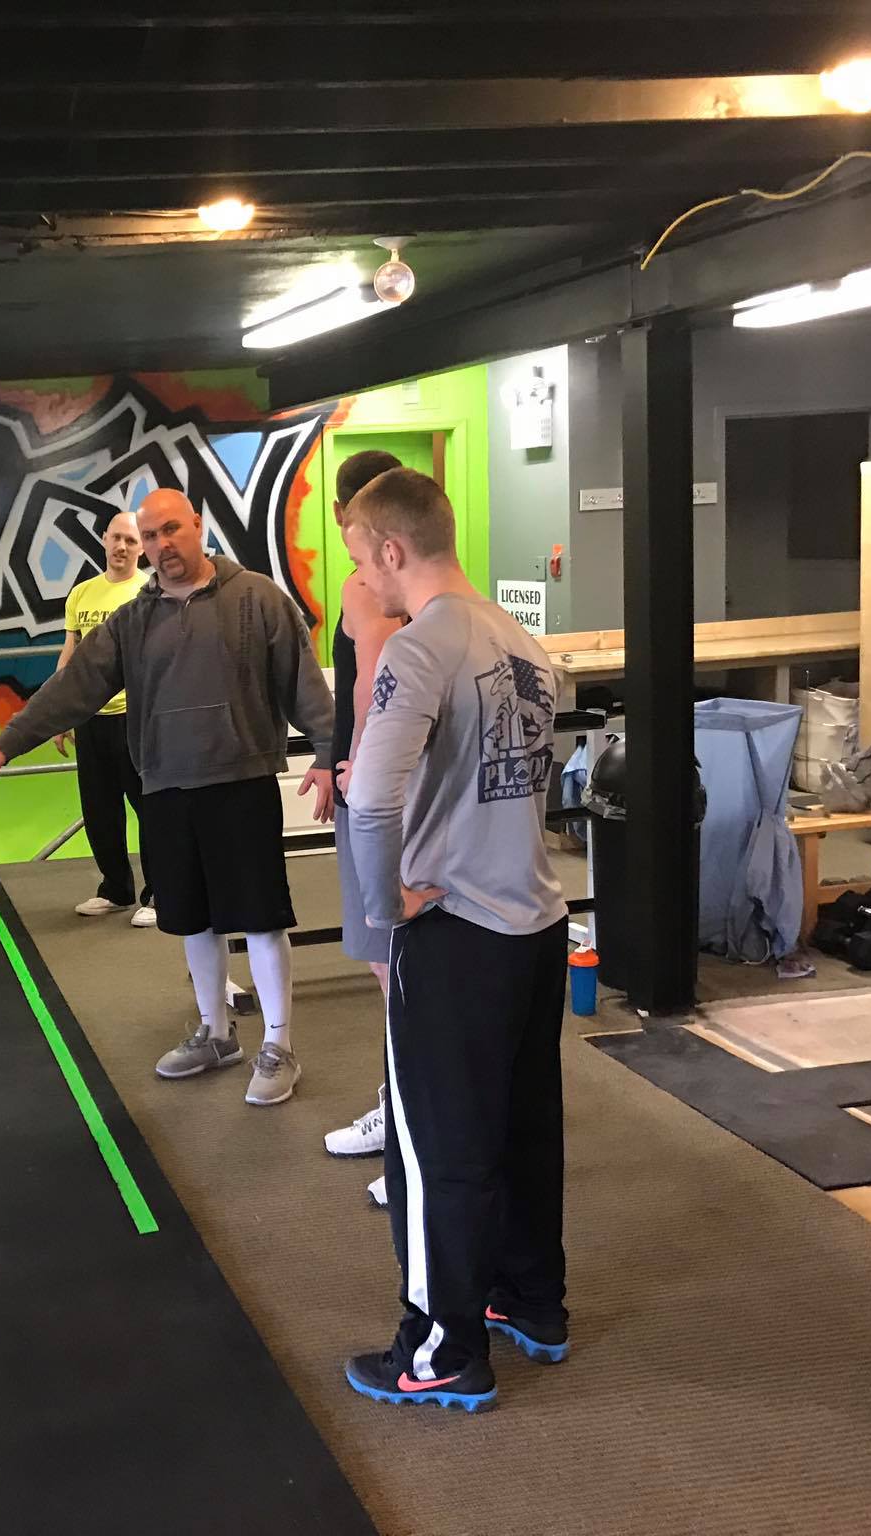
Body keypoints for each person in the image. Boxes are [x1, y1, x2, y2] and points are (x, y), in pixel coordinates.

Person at [0, 487, 335, 1106]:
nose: (162, 546)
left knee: (261, 920)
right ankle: (217, 1033)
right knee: (193, 919)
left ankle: (279, 1045)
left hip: (240, 784)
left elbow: (303, 683)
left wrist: (326, 753)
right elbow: (74, 686)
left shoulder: (259, 599)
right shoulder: (131, 621)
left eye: (170, 531)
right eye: (151, 535)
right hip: (165, 784)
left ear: (197, 526)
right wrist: (8, 742)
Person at [338, 467, 569, 1415]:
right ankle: (532, 1301)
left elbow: (371, 795)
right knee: (519, 1129)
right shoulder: (523, 638)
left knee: (435, 1148)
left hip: (456, 928)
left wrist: (383, 906)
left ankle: (440, 1348)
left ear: (393, 550)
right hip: (534, 924)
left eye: (361, 561)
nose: (362, 583)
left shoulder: (420, 645)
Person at [318, 450, 409, 1173]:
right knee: (411, 970)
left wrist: (361, 773)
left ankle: (412, 1135)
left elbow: (371, 687)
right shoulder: (440, 595)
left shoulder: (365, 587)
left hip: (381, 796)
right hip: (404, 788)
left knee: (397, 973)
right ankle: (415, 1125)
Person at [54, 511, 156, 927]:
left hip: (136, 718)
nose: (122, 548)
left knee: (150, 809)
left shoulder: (150, 592)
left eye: (131, 541)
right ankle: (115, 889)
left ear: (142, 547)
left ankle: (160, 893)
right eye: (116, 539)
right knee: (99, 811)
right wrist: (60, 710)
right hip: (90, 718)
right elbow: (70, 654)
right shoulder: (81, 594)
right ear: (103, 540)